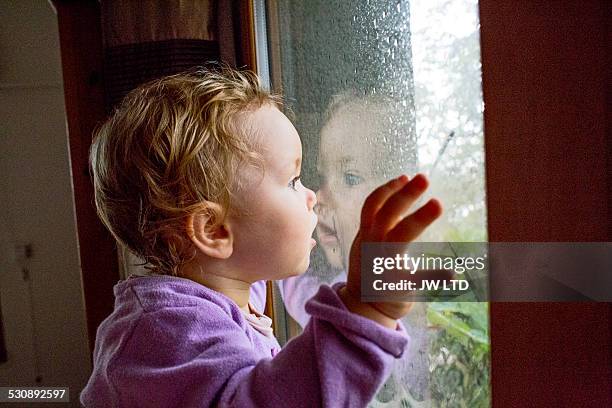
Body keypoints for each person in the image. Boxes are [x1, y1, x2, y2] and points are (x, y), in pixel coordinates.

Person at [79, 66, 442, 407]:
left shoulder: (219, 289)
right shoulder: (170, 329)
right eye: (292, 182)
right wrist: (366, 310)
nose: (312, 196)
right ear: (214, 230)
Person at [278, 93, 433, 405]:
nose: (320, 196)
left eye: (349, 177)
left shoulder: (429, 297)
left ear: (402, 200)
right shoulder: (339, 290)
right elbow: (295, 287)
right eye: (323, 176)